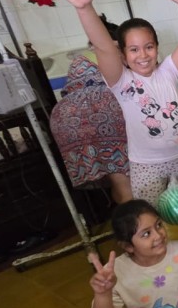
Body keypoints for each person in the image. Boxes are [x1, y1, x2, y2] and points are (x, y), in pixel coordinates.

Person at [50, 0, 178, 206]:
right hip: (146, 165)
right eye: (133, 49)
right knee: (154, 218)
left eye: (149, 47)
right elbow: (103, 48)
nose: (143, 55)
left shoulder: (169, 72)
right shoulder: (121, 81)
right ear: (123, 53)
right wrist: (84, 7)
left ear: (157, 47)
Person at [49, 16, 131, 204]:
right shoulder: (117, 52)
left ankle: (128, 223)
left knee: (116, 180)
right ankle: (138, 226)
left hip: (66, 120)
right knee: (124, 182)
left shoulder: (78, 60)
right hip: (105, 113)